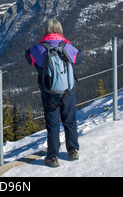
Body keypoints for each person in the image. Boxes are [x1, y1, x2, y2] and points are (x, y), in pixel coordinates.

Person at [25, 18, 84, 168]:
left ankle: (52, 157)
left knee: (53, 125)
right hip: (68, 91)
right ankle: (73, 150)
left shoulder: (40, 48)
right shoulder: (67, 46)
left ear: (46, 31)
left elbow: (28, 56)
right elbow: (79, 58)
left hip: (50, 93)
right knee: (69, 121)